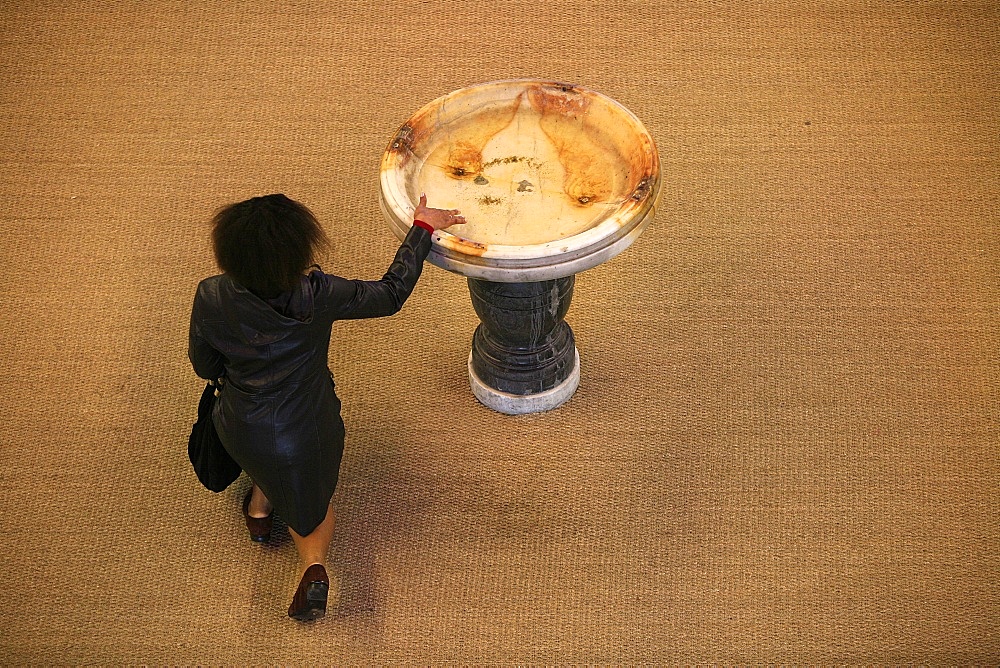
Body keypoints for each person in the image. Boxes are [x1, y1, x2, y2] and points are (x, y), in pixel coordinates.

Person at [188, 193, 464, 621]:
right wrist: (423, 227)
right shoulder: (317, 293)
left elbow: (203, 364)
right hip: (306, 425)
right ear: (300, 249)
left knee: (264, 460)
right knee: (309, 504)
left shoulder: (210, 294)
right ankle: (315, 567)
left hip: (239, 422)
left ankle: (260, 513)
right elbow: (390, 294)